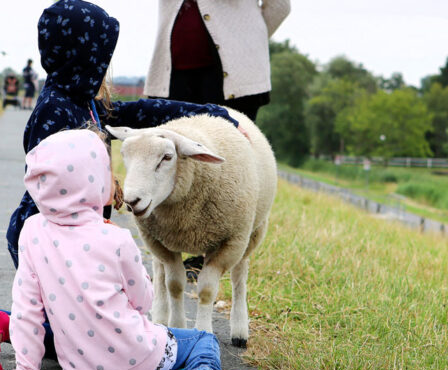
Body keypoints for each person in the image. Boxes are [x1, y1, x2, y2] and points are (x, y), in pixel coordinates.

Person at [0, 129, 265, 370]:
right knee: (201, 340)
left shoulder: (31, 232)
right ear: (95, 181)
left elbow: (26, 309)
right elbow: (143, 302)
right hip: (137, 358)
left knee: (148, 359)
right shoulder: (115, 238)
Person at [6, 0, 247, 277]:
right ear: (84, 57)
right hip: (50, 241)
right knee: (61, 317)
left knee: (66, 318)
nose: (105, 65)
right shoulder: (55, 110)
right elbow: (47, 187)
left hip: (74, 236)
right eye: (102, 56)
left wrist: (213, 112)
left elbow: (140, 111)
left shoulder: (83, 101)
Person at [145, 0, 290, 276]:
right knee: (172, 159)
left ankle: (216, 253)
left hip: (232, 76)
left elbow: (279, 6)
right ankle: (171, 252)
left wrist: (247, 40)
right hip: (173, 71)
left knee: (229, 168)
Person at [145, 0, 290, 121]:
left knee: (230, 151)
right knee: (171, 152)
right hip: (172, 76)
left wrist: (247, 44)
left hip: (234, 80)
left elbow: (279, 6)